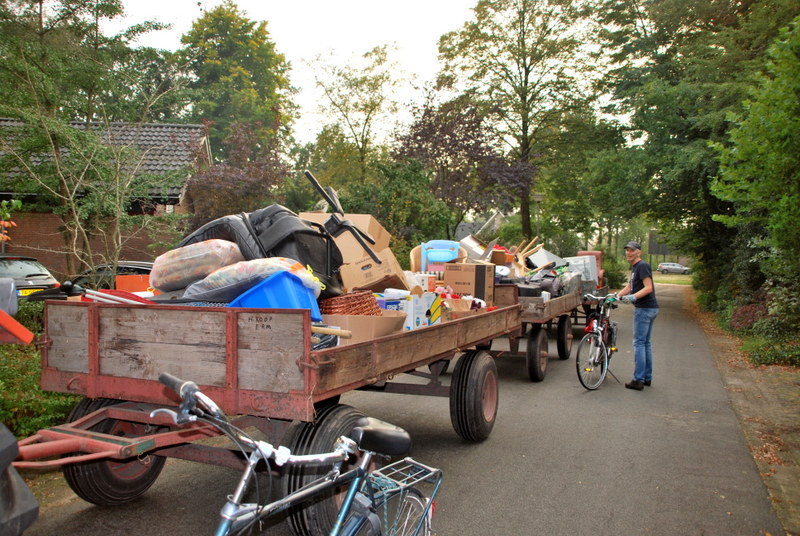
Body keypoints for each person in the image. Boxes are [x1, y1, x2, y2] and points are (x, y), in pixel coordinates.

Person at [617, 241, 659, 391]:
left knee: (639, 343)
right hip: (650, 308)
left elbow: (648, 288)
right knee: (645, 343)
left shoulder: (642, 266)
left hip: (645, 309)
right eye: (627, 250)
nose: (629, 253)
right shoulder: (635, 268)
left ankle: (638, 379)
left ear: (639, 252)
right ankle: (647, 377)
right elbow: (630, 286)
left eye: (632, 250)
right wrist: (616, 296)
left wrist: (633, 297)